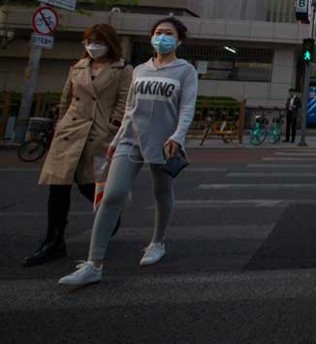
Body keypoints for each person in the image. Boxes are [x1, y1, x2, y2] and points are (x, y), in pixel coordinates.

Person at [59, 17, 198, 288]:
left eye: (168, 34)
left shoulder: (185, 71)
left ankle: (157, 242)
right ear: (151, 38)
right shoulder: (140, 69)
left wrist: (178, 136)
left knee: (162, 192)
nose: (162, 37)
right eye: (158, 32)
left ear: (179, 40)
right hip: (130, 139)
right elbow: (130, 108)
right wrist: (117, 138)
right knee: (112, 196)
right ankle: (93, 263)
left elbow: (187, 108)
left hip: (164, 142)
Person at [23, 25, 132, 267]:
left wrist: (112, 129)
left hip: (98, 134)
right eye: (89, 41)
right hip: (70, 133)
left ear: (110, 43)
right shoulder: (78, 67)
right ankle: (54, 240)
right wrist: (61, 124)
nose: (93, 45)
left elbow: (124, 103)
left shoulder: (123, 69)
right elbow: (66, 98)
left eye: (98, 41)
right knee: (58, 187)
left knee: (89, 185)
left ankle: (110, 213)